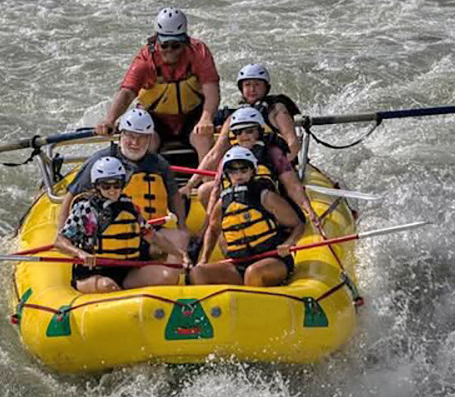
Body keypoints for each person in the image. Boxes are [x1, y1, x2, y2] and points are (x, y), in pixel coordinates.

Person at [59, 107, 189, 256]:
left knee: (180, 237)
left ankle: (173, 273)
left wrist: (182, 225)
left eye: (142, 137)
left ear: (150, 138)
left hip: (147, 229)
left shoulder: (159, 164)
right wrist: (62, 236)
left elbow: (174, 196)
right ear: (121, 134)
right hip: (108, 233)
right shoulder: (100, 162)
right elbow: (71, 196)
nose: (135, 142)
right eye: (130, 136)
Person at [94, 8, 220, 161]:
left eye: (176, 45)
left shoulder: (199, 52)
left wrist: (206, 118)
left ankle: (206, 183)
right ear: (156, 40)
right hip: (154, 120)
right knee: (145, 140)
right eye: (165, 45)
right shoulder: (145, 60)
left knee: (203, 137)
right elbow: (127, 92)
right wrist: (110, 119)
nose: (170, 51)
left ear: (185, 41)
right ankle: (146, 179)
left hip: (192, 116)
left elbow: (211, 88)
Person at [55, 156, 190, 293]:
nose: (112, 190)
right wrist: (80, 254)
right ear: (96, 186)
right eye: (106, 186)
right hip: (93, 272)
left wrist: (179, 253)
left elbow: (153, 237)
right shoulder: (85, 209)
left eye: (117, 185)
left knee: (167, 277)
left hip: (127, 270)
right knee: (108, 286)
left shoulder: (129, 206)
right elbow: (60, 242)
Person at [190, 147, 305, 288]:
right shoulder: (222, 203)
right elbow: (213, 230)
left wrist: (289, 243)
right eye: (233, 171)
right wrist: (204, 259)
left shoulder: (265, 197)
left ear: (252, 171)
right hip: (239, 264)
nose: (239, 175)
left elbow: (298, 224)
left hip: (274, 259)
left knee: (253, 273)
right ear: (227, 174)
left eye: (244, 170)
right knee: (197, 273)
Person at [181, 107, 315, 222]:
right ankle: (229, 231)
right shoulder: (231, 155)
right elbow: (216, 189)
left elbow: (292, 185)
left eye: (250, 131)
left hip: (267, 200)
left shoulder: (273, 152)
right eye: (239, 132)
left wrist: (309, 210)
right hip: (237, 199)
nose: (244, 136)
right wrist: (208, 227)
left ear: (259, 131)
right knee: (204, 190)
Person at [218, 64, 301, 159]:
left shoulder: (276, 109)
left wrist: (281, 166)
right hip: (243, 166)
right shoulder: (236, 115)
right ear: (241, 89)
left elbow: (293, 144)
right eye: (247, 85)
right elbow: (217, 151)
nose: (252, 89)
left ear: (266, 88)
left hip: (275, 163)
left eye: (257, 84)